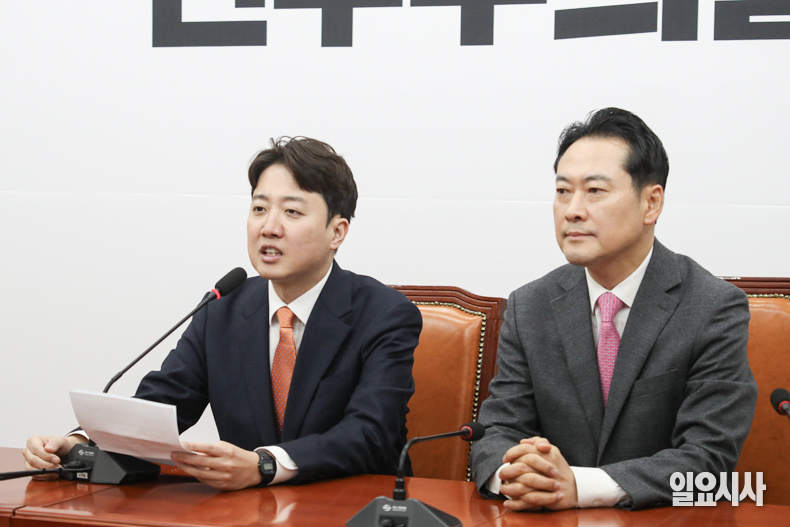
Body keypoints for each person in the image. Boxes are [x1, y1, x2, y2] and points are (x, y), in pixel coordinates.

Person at [23, 137, 422, 490]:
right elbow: (162, 405)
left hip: (353, 508)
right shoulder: (223, 309)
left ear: (337, 232)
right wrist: (80, 442)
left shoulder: (384, 314)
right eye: (259, 208)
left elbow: (369, 432)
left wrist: (266, 464)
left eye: (292, 212)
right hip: (246, 513)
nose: (269, 228)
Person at [469, 108, 757, 510]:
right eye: (563, 191)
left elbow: (710, 462)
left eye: (595, 191)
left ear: (651, 203)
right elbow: (494, 432)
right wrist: (517, 474)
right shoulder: (530, 306)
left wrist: (580, 486)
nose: (572, 209)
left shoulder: (712, 307)